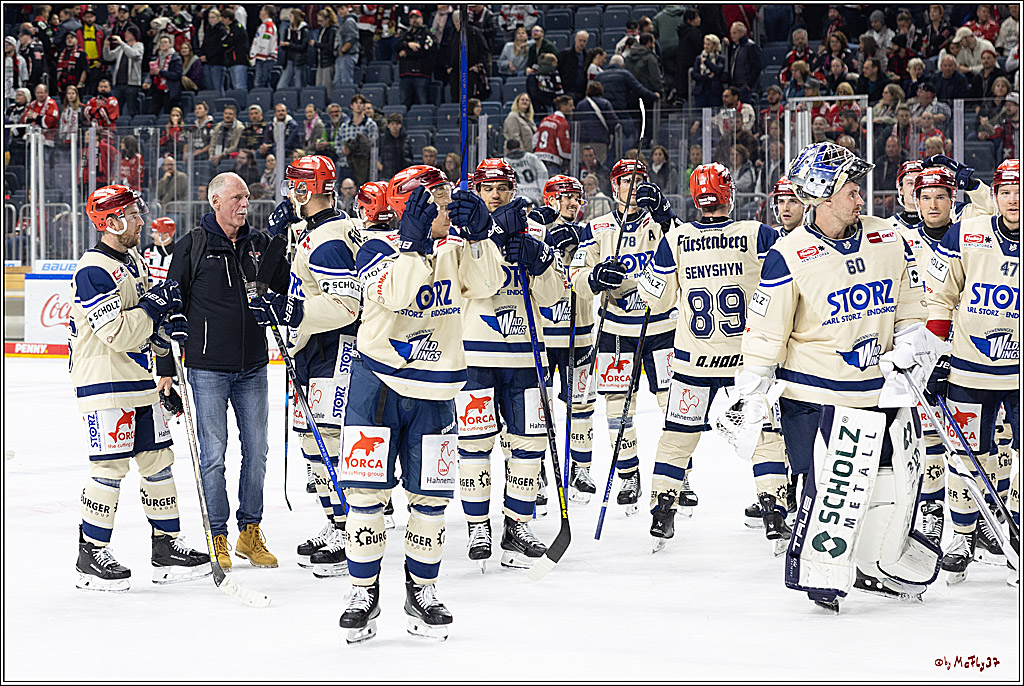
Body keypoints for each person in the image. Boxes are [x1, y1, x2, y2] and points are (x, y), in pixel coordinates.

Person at [739, 141, 939, 611]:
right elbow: (766, 335)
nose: (860, 197)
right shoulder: (788, 255)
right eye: (850, 189)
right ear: (823, 195)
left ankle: (876, 564)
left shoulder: (887, 237)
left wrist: (910, 343)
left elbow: (911, 305)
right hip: (815, 397)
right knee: (831, 490)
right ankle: (822, 574)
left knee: (891, 486)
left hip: (880, 390)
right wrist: (752, 393)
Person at [336, 165, 502, 642]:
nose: (450, 207)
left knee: (430, 499)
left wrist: (480, 237)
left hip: (434, 392)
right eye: (441, 201)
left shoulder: (455, 246)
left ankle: (421, 589)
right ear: (414, 205)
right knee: (366, 496)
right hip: (378, 387)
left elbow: (489, 284)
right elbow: (399, 294)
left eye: (451, 200)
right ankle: (362, 591)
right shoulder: (373, 247)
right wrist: (411, 249)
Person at [635, 162, 790, 551]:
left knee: (677, 440)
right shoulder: (758, 234)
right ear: (729, 195)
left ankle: (662, 510)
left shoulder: (677, 238)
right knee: (765, 436)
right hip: (746, 364)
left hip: (692, 362)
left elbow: (655, 298)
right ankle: (773, 508)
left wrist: (630, 273)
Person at [71, 184, 210, 592]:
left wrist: (167, 333)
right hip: (105, 382)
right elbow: (115, 331)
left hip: (140, 379)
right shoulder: (94, 269)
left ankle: (166, 547)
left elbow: (148, 321)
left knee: (158, 460)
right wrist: (153, 309)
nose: (141, 220)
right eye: (132, 214)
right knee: (111, 466)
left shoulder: (132, 260)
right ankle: (91, 553)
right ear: (111, 222)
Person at [155, 172, 290, 571]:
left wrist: (281, 241)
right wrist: (165, 366)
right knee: (213, 456)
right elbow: (167, 305)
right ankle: (218, 535)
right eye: (236, 197)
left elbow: (282, 285)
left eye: (247, 196)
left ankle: (250, 531)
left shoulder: (259, 244)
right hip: (207, 368)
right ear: (215, 201)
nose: (244, 203)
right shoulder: (192, 246)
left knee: (258, 452)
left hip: (253, 366)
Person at [249, 155, 361, 577]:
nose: (289, 193)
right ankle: (338, 521)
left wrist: (289, 309)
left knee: (326, 442)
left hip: (332, 350)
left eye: (294, 185)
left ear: (304, 189)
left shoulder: (328, 239)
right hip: (315, 349)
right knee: (313, 442)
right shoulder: (320, 230)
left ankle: (352, 529)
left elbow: (348, 306)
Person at [457, 158, 565, 569]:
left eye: (503, 187)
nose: (496, 194)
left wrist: (540, 263)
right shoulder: (463, 230)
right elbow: (465, 284)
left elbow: (556, 297)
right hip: (477, 354)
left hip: (526, 355)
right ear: (477, 190)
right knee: (474, 444)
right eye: (488, 187)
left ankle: (516, 526)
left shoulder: (535, 229)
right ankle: (478, 526)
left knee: (529, 444)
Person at [925, 159, 1019, 584]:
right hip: (969, 370)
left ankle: (1016, 530)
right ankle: (961, 538)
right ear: (995, 197)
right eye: (1006, 192)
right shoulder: (969, 231)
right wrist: (936, 354)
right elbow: (942, 297)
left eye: (1020, 192)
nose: (1014, 200)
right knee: (964, 458)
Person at [569, 159, 678, 514]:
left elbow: (684, 249)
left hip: (661, 326)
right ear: (612, 186)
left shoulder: (660, 223)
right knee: (617, 408)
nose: (632, 188)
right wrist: (596, 277)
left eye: (638, 181)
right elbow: (577, 275)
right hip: (616, 329)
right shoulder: (596, 227)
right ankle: (629, 474)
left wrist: (665, 215)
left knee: (671, 403)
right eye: (624, 181)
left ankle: (680, 475)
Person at [535, 175, 597, 500]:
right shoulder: (534, 228)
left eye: (577, 198)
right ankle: (537, 474)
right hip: (544, 337)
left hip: (580, 334)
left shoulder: (588, 234)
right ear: (550, 199)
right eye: (566, 197)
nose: (573, 203)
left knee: (582, 404)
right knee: (538, 408)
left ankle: (581, 469)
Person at [574, 81, 620, 168]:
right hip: (600, 140)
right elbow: (613, 121)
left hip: (583, 140)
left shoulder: (580, 104)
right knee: (600, 165)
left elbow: (576, 121)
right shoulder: (605, 103)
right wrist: (610, 134)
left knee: (584, 165)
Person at [397, 9, 436, 107]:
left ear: (421, 19)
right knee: (404, 103)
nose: (414, 20)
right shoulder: (406, 33)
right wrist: (408, 44)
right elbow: (396, 46)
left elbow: (423, 51)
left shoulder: (427, 33)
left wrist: (405, 51)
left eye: (417, 18)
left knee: (423, 102)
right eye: (412, 18)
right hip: (406, 73)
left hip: (421, 74)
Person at [103, 26, 142, 118]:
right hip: (118, 83)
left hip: (132, 84)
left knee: (132, 110)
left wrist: (121, 43)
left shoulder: (139, 46)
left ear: (134, 34)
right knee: (116, 110)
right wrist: (106, 46)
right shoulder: (121, 48)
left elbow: (132, 54)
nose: (126, 35)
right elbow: (108, 57)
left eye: (128, 33)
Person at [534, 94, 572, 175]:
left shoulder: (545, 120)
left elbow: (534, 139)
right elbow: (561, 143)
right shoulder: (562, 122)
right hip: (552, 160)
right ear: (563, 106)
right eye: (570, 105)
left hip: (538, 158)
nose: (573, 108)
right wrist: (567, 159)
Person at [143, 35, 181, 115]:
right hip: (157, 89)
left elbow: (177, 75)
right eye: (161, 43)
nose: (163, 44)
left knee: (167, 113)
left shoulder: (176, 58)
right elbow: (152, 74)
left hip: (170, 90)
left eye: (165, 42)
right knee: (153, 111)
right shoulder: (156, 59)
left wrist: (161, 72)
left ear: (170, 44)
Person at [724, 21, 761, 103]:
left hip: (746, 86)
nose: (732, 36)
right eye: (731, 33)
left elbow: (757, 67)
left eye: (735, 33)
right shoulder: (735, 47)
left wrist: (748, 85)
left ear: (742, 33)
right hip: (735, 85)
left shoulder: (750, 46)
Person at [277, 9, 308, 90]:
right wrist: (284, 45)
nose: (289, 18)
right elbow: (285, 44)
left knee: (299, 84)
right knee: (281, 85)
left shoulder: (304, 30)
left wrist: (289, 44)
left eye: (291, 16)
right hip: (288, 60)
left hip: (299, 61)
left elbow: (303, 47)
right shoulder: (288, 30)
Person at [625, 33, 664, 98]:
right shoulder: (650, 58)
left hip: (631, 92)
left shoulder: (629, 56)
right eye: (653, 43)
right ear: (649, 43)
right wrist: (660, 91)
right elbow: (655, 76)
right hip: (648, 93)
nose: (654, 45)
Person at [220, 8, 249, 92]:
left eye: (223, 19)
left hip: (239, 60)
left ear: (227, 19)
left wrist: (224, 45)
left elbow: (229, 43)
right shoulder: (231, 28)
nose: (222, 22)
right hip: (232, 61)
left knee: (240, 86)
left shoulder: (237, 28)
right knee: (235, 87)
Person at [249, 5, 278, 89]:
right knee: (261, 82)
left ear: (265, 12)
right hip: (262, 59)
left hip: (264, 59)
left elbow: (266, 42)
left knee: (260, 83)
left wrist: (261, 56)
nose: (260, 12)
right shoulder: (264, 25)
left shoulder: (268, 26)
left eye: (262, 10)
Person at [378, 112, 413, 179]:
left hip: (403, 175)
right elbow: (375, 155)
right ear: (388, 125)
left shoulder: (406, 139)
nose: (395, 126)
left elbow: (410, 157)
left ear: (401, 125)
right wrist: (381, 168)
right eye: (392, 124)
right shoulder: (382, 139)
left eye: (397, 124)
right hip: (386, 175)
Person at [310, 7, 338, 88]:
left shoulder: (332, 30)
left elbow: (330, 46)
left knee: (327, 85)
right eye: (318, 21)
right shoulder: (322, 29)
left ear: (327, 20)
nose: (319, 23)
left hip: (328, 62)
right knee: (318, 84)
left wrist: (316, 44)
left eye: (321, 21)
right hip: (320, 61)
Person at [144, 216, 177, 282]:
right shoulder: (147, 251)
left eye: (156, 232)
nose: (153, 235)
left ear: (166, 235)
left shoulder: (178, 253)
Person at [334, 4, 359, 89]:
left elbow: (352, 38)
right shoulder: (343, 21)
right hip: (342, 56)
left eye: (342, 8)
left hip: (348, 54)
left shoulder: (349, 21)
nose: (340, 11)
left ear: (348, 9)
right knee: (339, 82)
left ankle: (348, 100)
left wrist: (342, 50)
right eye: (338, 10)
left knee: (346, 82)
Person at [56, 30, 89, 96]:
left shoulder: (81, 53)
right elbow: (59, 70)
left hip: (76, 84)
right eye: (67, 38)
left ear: (76, 40)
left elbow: (85, 69)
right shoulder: (62, 54)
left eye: (72, 38)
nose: (69, 40)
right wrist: (58, 85)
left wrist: (81, 83)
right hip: (64, 85)